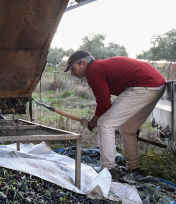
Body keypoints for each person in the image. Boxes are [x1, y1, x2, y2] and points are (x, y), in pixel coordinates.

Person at [64, 50, 166, 180]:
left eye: (73, 68)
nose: (72, 74)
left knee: (105, 123)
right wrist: (94, 120)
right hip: (157, 86)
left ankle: (108, 170)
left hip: (143, 85)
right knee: (127, 128)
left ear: (84, 63)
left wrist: (93, 122)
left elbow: (104, 102)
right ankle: (134, 168)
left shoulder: (93, 70)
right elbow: (105, 103)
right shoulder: (99, 67)